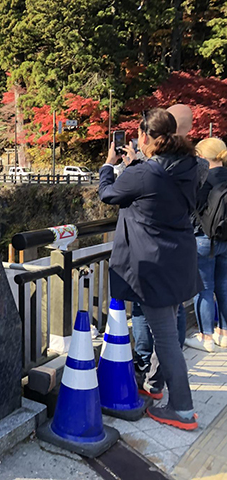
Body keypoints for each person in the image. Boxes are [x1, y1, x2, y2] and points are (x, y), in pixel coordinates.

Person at [99, 108, 201, 430]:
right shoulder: (191, 165)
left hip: (154, 265)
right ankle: (155, 386)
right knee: (169, 329)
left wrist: (108, 165)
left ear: (146, 136)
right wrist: (135, 166)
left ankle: (183, 409)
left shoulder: (145, 172)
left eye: (140, 133)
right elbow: (155, 195)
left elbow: (109, 194)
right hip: (179, 260)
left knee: (167, 339)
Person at [187, 138, 227, 351]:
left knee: (204, 289)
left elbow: (193, 210)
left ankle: (206, 338)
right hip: (226, 239)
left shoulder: (202, 179)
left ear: (201, 156)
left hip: (203, 239)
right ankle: (224, 332)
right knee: (224, 285)